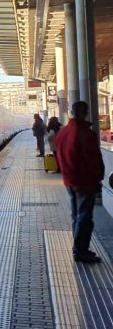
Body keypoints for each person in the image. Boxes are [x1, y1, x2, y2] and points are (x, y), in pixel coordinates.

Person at [54, 101, 105, 263]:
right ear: (86, 112)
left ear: (71, 112)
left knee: (76, 215)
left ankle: (78, 248)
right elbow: (94, 161)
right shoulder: (86, 134)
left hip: (69, 181)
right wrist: (98, 179)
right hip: (85, 182)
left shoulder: (63, 133)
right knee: (84, 217)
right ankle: (81, 251)